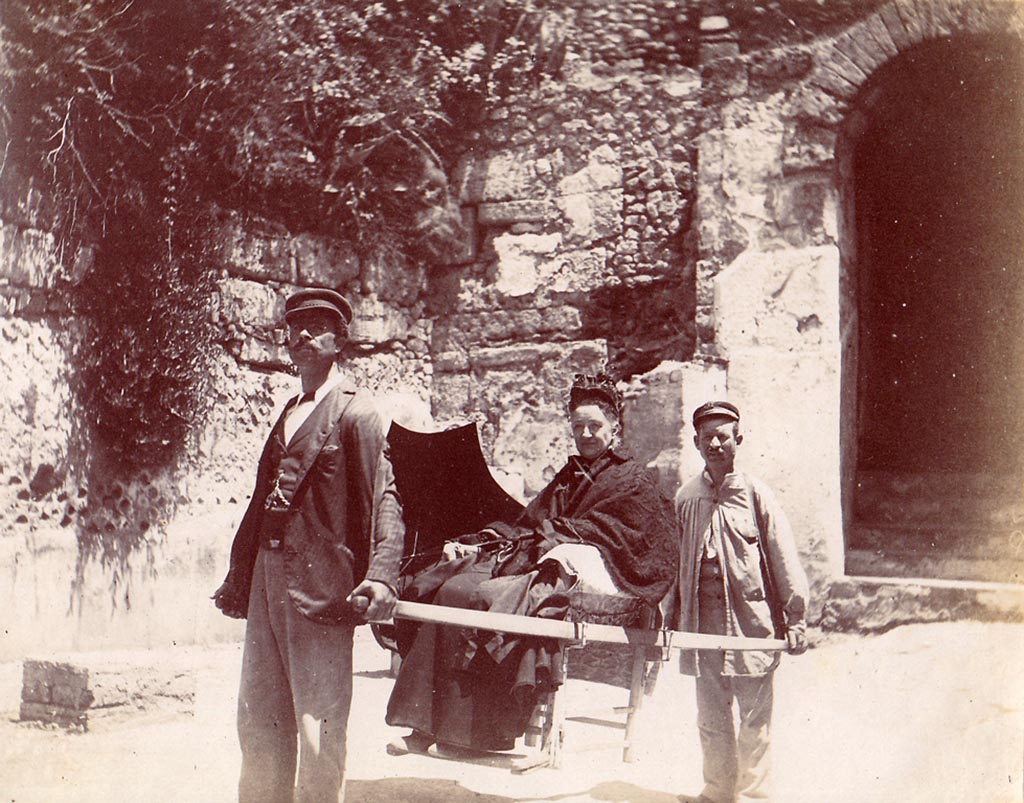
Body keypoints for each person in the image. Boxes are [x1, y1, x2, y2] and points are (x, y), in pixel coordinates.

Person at [385, 373, 678, 758]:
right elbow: (528, 521)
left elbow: (638, 535)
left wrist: (566, 533)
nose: (586, 434)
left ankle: (474, 737)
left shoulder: (633, 478)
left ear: (614, 428)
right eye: (578, 426)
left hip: (588, 577)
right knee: (449, 588)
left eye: (595, 426)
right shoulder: (571, 475)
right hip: (541, 558)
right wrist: (482, 540)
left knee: (486, 597)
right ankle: (424, 725)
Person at [212, 287, 404, 803]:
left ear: (339, 340)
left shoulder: (357, 413)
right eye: (294, 326)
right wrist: (241, 573)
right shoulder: (291, 409)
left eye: (316, 326)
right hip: (267, 575)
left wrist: (383, 575)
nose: (301, 335)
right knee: (259, 715)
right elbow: (261, 499)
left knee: (318, 724)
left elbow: (384, 495)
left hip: (322, 587)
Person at [669, 401, 809, 803]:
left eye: (723, 436)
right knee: (711, 719)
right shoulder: (686, 498)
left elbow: (783, 559)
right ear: (696, 442)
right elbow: (674, 564)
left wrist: (795, 618)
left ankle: (752, 798)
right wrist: (669, 617)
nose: (715, 443)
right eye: (707, 436)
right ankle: (716, 794)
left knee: (754, 721)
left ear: (738, 441)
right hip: (702, 625)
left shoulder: (756, 495)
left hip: (751, 624)